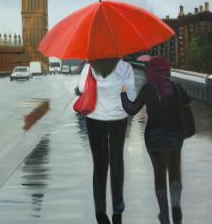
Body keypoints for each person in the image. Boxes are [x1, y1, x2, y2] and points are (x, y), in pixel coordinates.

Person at [121, 56, 190, 224]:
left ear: (150, 71)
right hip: (175, 136)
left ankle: (164, 214)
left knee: (159, 174)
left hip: (154, 138)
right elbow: (187, 106)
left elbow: (131, 109)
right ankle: (176, 207)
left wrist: (123, 93)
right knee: (174, 172)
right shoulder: (176, 87)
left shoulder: (147, 89)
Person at [75, 58, 136, 224]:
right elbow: (131, 95)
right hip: (118, 118)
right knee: (117, 158)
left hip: (95, 118)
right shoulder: (125, 67)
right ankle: (117, 203)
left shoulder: (89, 66)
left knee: (99, 163)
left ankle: (100, 208)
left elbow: (81, 88)